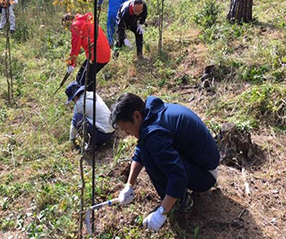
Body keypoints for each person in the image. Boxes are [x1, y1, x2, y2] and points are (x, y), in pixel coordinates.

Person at [110, 93, 220, 232]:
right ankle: (175, 199)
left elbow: (177, 176)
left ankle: (180, 202)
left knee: (150, 155)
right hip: (203, 164)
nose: (127, 134)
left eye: (126, 129)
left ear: (137, 116)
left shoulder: (153, 134)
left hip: (206, 175)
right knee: (147, 149)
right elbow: (140, 150)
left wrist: (161, 213)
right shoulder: (151, 113)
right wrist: (129, 185)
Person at [62, 13, 110, 92]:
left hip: (97, 55)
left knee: (83, 80)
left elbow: (75, 48)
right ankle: (92, 98)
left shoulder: (76, 26)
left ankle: (87, 101)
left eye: (67, 27)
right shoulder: (85, 20)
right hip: (104, 52)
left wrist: (71, 64)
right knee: (88, 77)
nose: (69, 29)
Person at [65, 81, 114, 150]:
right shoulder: (92, 94)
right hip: (111, 130)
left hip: (103, 136)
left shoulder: (79, 104)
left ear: (75, 97)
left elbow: (73, 126)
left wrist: (72, 140)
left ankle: (92, 143)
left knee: (77, 118)